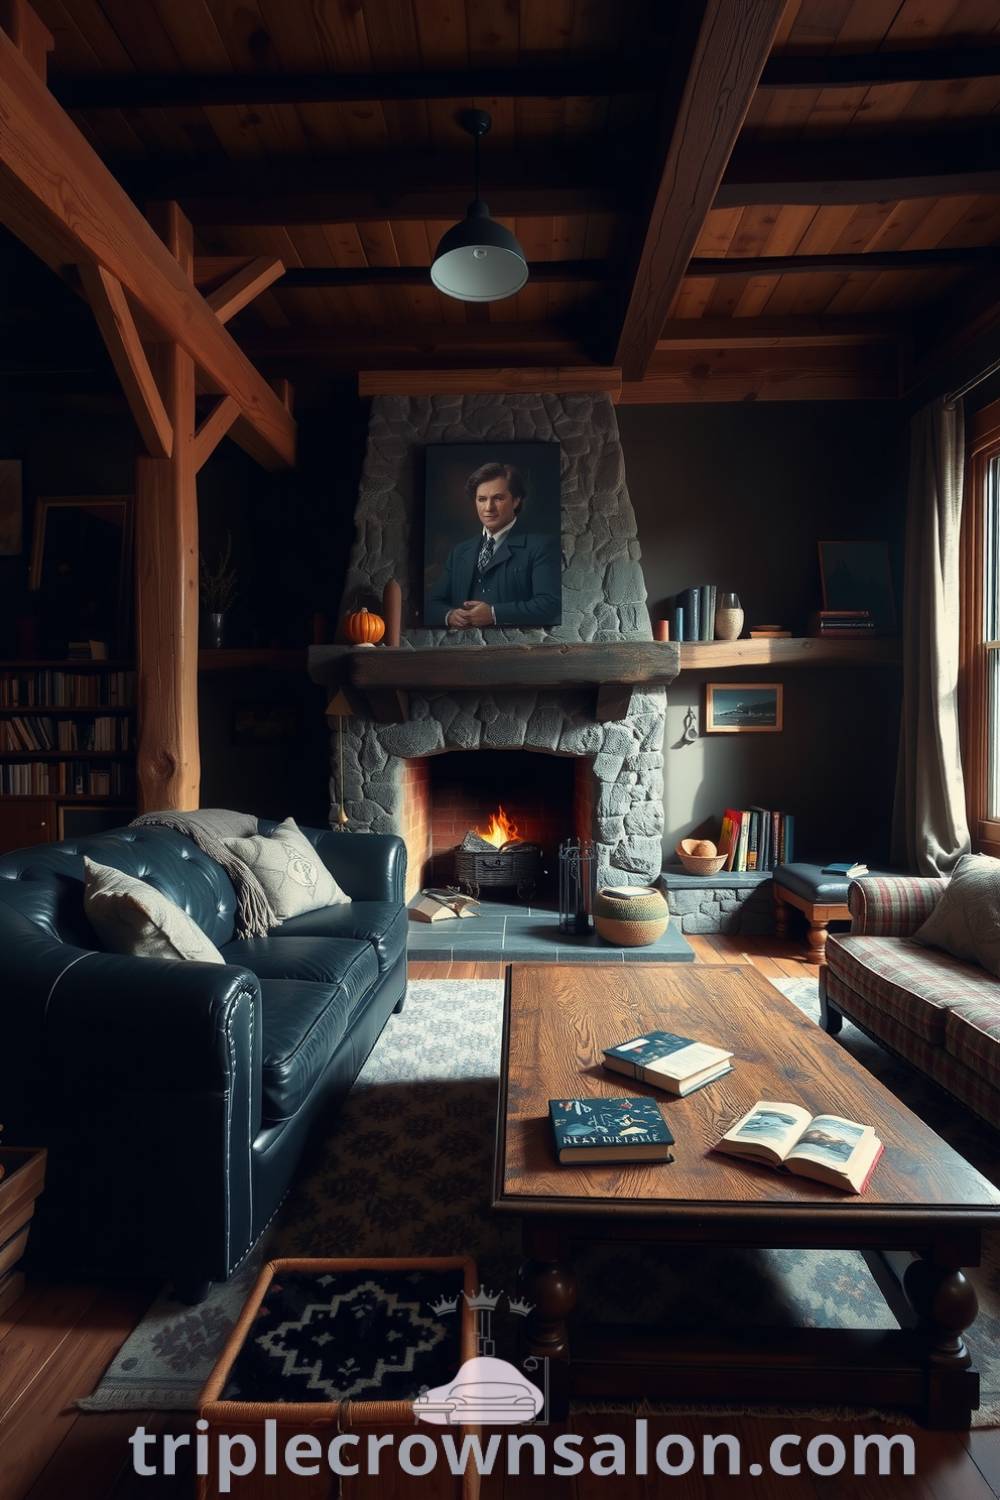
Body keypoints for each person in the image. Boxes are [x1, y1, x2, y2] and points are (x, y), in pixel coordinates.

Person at [425, 460, 560, 629]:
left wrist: (494, 614)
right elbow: (431, 603)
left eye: (498, 498)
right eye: (482, 499)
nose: (488, 508)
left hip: (516, 650)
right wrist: (449, 615)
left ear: (516, 500)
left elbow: (549, 605)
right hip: (463, 650)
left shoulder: (541, 546)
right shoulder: (460, 551)